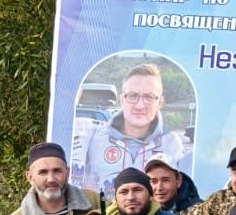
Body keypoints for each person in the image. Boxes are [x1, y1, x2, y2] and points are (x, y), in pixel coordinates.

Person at [81, 61, 188, 195]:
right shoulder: (96, 139)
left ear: (160, 102)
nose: (140, 106)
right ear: (122, 99)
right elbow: (88, 192)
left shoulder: (172, 144)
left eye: (149, 97)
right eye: (132, 96)